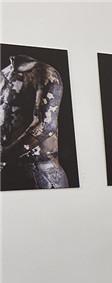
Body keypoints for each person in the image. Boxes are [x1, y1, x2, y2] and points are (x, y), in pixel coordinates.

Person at [0, 54, 69, 190]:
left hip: (40, 172)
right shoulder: (4, 74)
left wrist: (4, 155)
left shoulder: (45, 73)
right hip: (8, 170)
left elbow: (45, 125)